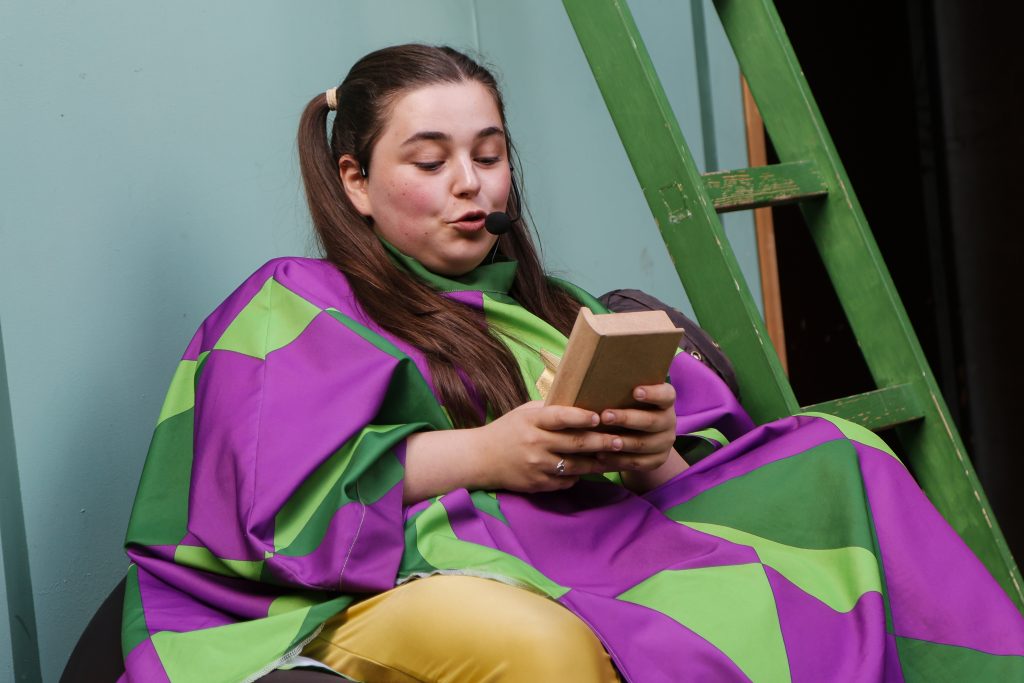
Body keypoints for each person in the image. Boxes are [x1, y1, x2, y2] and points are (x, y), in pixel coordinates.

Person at [120, 44, 1024, 682]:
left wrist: (652, 450)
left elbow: (689, 468)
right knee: (552, 641)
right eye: (430, 162)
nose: (471, 184)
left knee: (838, 451)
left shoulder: (563, 307)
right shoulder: (296, 300)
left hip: (595, 536)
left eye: (489, 155)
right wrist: (492, 453)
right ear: (354, 180)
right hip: (384, 577)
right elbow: (274, 498)